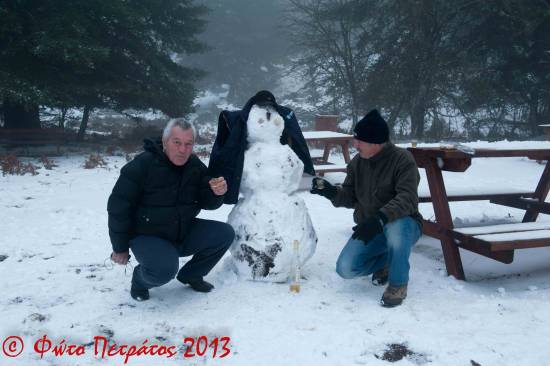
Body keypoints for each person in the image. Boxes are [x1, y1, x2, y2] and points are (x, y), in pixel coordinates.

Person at [108, 119, 235, 301]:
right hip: (147, 236)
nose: (182, 150)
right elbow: (118, 208)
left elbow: (208, 203)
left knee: (224, 234)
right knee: (164, 270)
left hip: (182, 230)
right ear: (165, 141)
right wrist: (119, 248)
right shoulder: (142, 165)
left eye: (188, 144)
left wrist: (216, 193)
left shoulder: (194, 165)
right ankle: (140, 280)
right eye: (177, 143)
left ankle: (192, 274)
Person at [310, 109, 422, 307]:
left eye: (359, 140)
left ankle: (398, 285)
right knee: (345, 268)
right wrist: (330, 192)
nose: (355, 144)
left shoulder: (402, 159)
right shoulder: (358, 162)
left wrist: (380, 218)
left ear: (375, 142)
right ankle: (388, 261)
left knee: (396, 232)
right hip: (370, 227)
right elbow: (350, 196)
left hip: (402, 223)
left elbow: (407, 198)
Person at [208, 90, 315, 204]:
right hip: (255, 202)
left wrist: (295, 182)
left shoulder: (284, 151)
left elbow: (297, 171)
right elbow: (243, 176)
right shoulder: (249, 154)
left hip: (283, 200)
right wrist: (252, 181)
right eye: (260, 120)